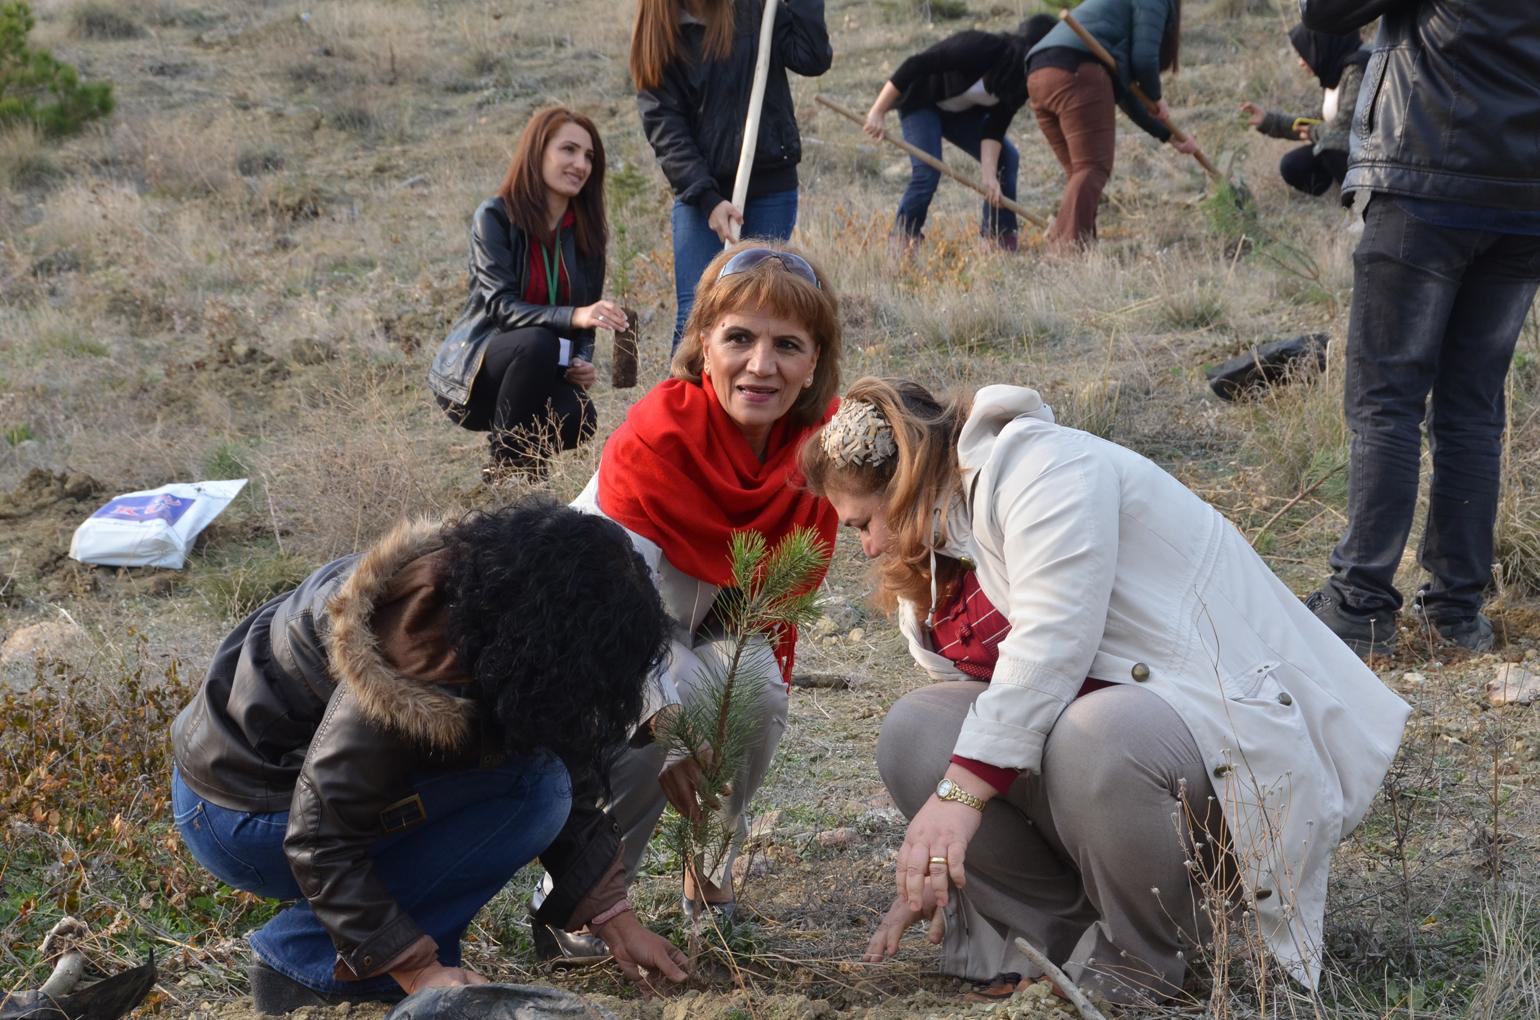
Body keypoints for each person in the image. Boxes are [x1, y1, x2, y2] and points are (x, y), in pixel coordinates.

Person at [799, 378, 1410, 1005]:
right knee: (915, 733)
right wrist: (944, 876)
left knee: (1094, 735)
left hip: (1221, 748)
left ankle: (1141, 966)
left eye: (863, 523)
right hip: (1117, 774)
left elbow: (1053, 638)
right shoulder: (941, 556)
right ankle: (1061, 949)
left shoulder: (1044, 466)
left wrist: (958, 796)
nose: (868, 547)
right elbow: (993, 711)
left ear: (900, 488)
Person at [170, 499, 690, 1013]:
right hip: (237, 815)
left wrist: (613, 915)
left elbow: (560, 744)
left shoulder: (499, 613)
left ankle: (356, 949)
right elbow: (318, 837)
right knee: (533, 792)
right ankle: (305, 963)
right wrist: (416, 968)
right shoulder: (406, 657)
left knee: (541, 778)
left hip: (281, 796)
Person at [530, 241, 842, 961]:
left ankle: (707, 867)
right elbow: (607, 621)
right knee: (650, 728)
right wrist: (666, 716)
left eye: (787, 345)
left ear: (815, 361)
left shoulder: (812, 460)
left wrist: (705, 697)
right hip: (596, 642)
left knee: (752, 688)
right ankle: (582, 898)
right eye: (739, 337)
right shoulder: (657, 436)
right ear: (705, 343)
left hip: (694, 631)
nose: (761, 366)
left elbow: (750, 621)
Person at [1300, 0, 1540, 657]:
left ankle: (1360, 605)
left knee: (1386, 401)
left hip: (1427, 173)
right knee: (1472, 410)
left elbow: (1323, 12)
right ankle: (1457, 615)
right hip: (1524, 199)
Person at [429, 107, 628, 482]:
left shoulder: (587, 236)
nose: (580, 164)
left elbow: (585, 324)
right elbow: (501, 308)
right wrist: (574, 316)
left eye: (589, 156)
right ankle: (505, 472)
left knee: (579, 418)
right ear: (538, 152)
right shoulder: (496, 217)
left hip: (542, 368)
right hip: (478, 372)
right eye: (568, 150)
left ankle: (527, 474)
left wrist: (582, 360)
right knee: (535, 342)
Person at [630, 0, 831, 350]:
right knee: (696, 314)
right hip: (700, 195)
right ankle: (689, 403)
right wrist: (708, 199)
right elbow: (665, 129)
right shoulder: (658, 34)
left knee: (762, 308)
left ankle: (754, 400)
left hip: (770, 184)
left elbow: (812, 57)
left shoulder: (754, 10)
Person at [862, 15, 1057, 251]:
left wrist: (989, 177)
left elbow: (995, 128)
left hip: (957, 114)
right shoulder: (982, 47)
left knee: (1007, 158)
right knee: (928, 169)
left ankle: (998, 239)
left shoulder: (1020, 81)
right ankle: (903, 239)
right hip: (921, 102)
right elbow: (916, 64)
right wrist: (877, 111)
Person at [1025, 0, 1197, 249]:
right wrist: (1157, 97)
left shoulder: (1114, 20)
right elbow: (1144, 59)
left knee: (1079, 173)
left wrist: (1168, 134)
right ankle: (1068, 256)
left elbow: (1127, 93)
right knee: (1091, 168)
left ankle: (1079, 248)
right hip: (1077, 69)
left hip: (1039, 72)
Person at [1239, 25, 1367, 198]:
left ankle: (1362, 197)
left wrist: (1314, 132)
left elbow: (1346, 123)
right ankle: (1339, 198)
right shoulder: (1336, 71)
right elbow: (1320, 117)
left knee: (1329, 146)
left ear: (1320, 47)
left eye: (1303, 54)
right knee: (1292, 164)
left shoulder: (1357, 70)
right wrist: (1268, 121)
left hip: (1371, 155)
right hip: (1349, 152)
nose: (1300, 62)